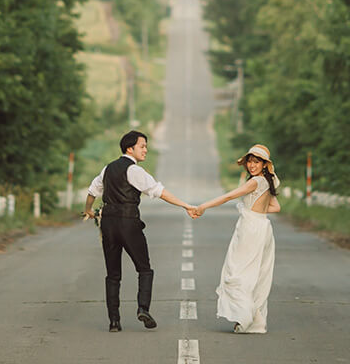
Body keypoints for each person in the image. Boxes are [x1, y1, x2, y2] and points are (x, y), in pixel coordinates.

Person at [83, 129, 196, 332]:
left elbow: (92, 191)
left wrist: (88, 210)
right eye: (142, 146)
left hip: (108, 223)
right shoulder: (135, 171)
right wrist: (186, 205)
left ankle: (114, 322)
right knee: (144, 268)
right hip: (128, 222)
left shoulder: (107, 168)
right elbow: (159, 192)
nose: (146, 150)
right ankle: (143, 308)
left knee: (113, 274)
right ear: (130, 148)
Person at [191, 143, 281, 334]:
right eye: (249, 161)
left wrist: (203, 206)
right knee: (256, 273)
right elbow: (275, 207)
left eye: (256, 162)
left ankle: (244, 317)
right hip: (262, 226)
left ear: (265, 164)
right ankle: (254, 320)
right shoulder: (269, 180)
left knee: (238, 272)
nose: (252, 166)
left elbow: (229, 196)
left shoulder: (255, 182)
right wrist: (255, 211)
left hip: (251, 229)